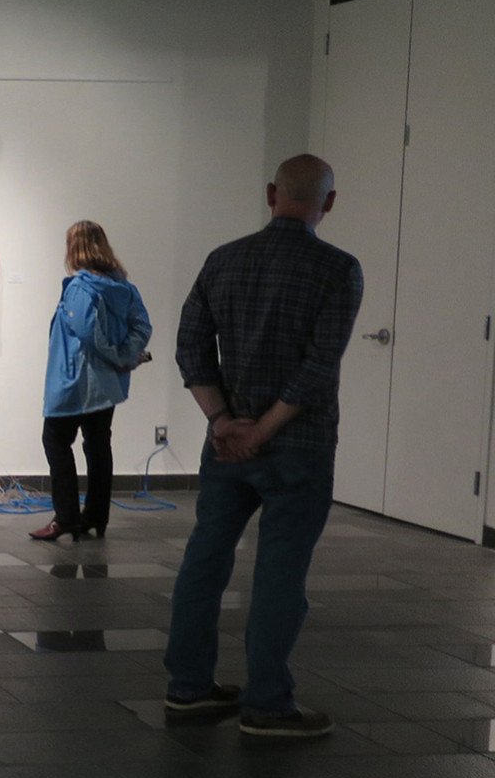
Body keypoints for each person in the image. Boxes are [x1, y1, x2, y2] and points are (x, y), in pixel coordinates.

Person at [164, 154, 361, 739]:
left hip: (228, 447)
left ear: (271, 193)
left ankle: (188, 686)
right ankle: (268, 705)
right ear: (328, 203)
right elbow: (318, 368)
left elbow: (190, 348)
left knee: (205, 560)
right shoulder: (338, 269)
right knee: (280, 573)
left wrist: (225, 421)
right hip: (298, 446)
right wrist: (264, 430)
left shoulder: (223, 260)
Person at [31, 221, 153, 543]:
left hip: (74, 382)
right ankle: (96, 516)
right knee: (98, 445)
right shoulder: (124, 287)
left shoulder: (79, 288)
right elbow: (142, 326)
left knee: (55, 441)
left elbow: (88, 334)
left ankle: (66, 518)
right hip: (107, 385)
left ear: (75, 249)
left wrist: (114, 356)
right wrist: (124, 357)